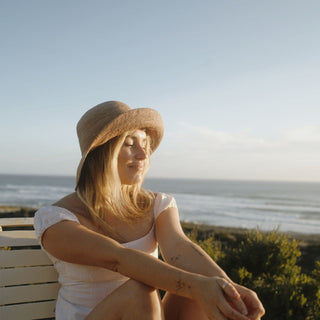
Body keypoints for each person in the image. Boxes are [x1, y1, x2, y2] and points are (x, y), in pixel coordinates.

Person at [34, 100, 265, 320]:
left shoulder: (157, 204)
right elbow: (119, 259)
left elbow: (179, 250)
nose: (144, 155)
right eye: (130, 144)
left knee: (204, 286)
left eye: (145, 144)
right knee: (141, 291)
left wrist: (230, 289)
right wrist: (198, 287)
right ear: (103, 153)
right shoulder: (57, 221)